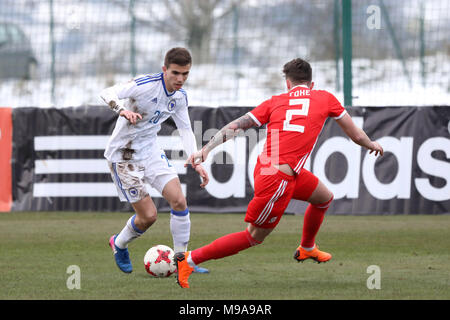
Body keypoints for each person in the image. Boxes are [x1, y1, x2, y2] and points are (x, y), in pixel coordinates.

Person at [175, 58, 384, 288]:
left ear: (287, 83)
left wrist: (206, 149)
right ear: (311, 84)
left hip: (274, 169)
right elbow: (356, 136)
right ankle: (190, 260)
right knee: (254, 236)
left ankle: (307, 248)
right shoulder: (325, 98)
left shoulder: (275, 101)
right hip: (277, 179)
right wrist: (371, 144)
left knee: (323, 198)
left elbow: (237, 125)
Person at [100, 47, 210, 274]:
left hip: (150, 151)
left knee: (179, 201)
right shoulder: (145, 84)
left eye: (185, 74)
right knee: (148, 217)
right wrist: (121, 110)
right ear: (164, 70)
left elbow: (185, 128)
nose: (180, 79)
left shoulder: (180, 96)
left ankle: (182, 261)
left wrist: (196, 159)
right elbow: (107, 92)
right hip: (123, 156)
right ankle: (119, 244)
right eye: (175, 73)